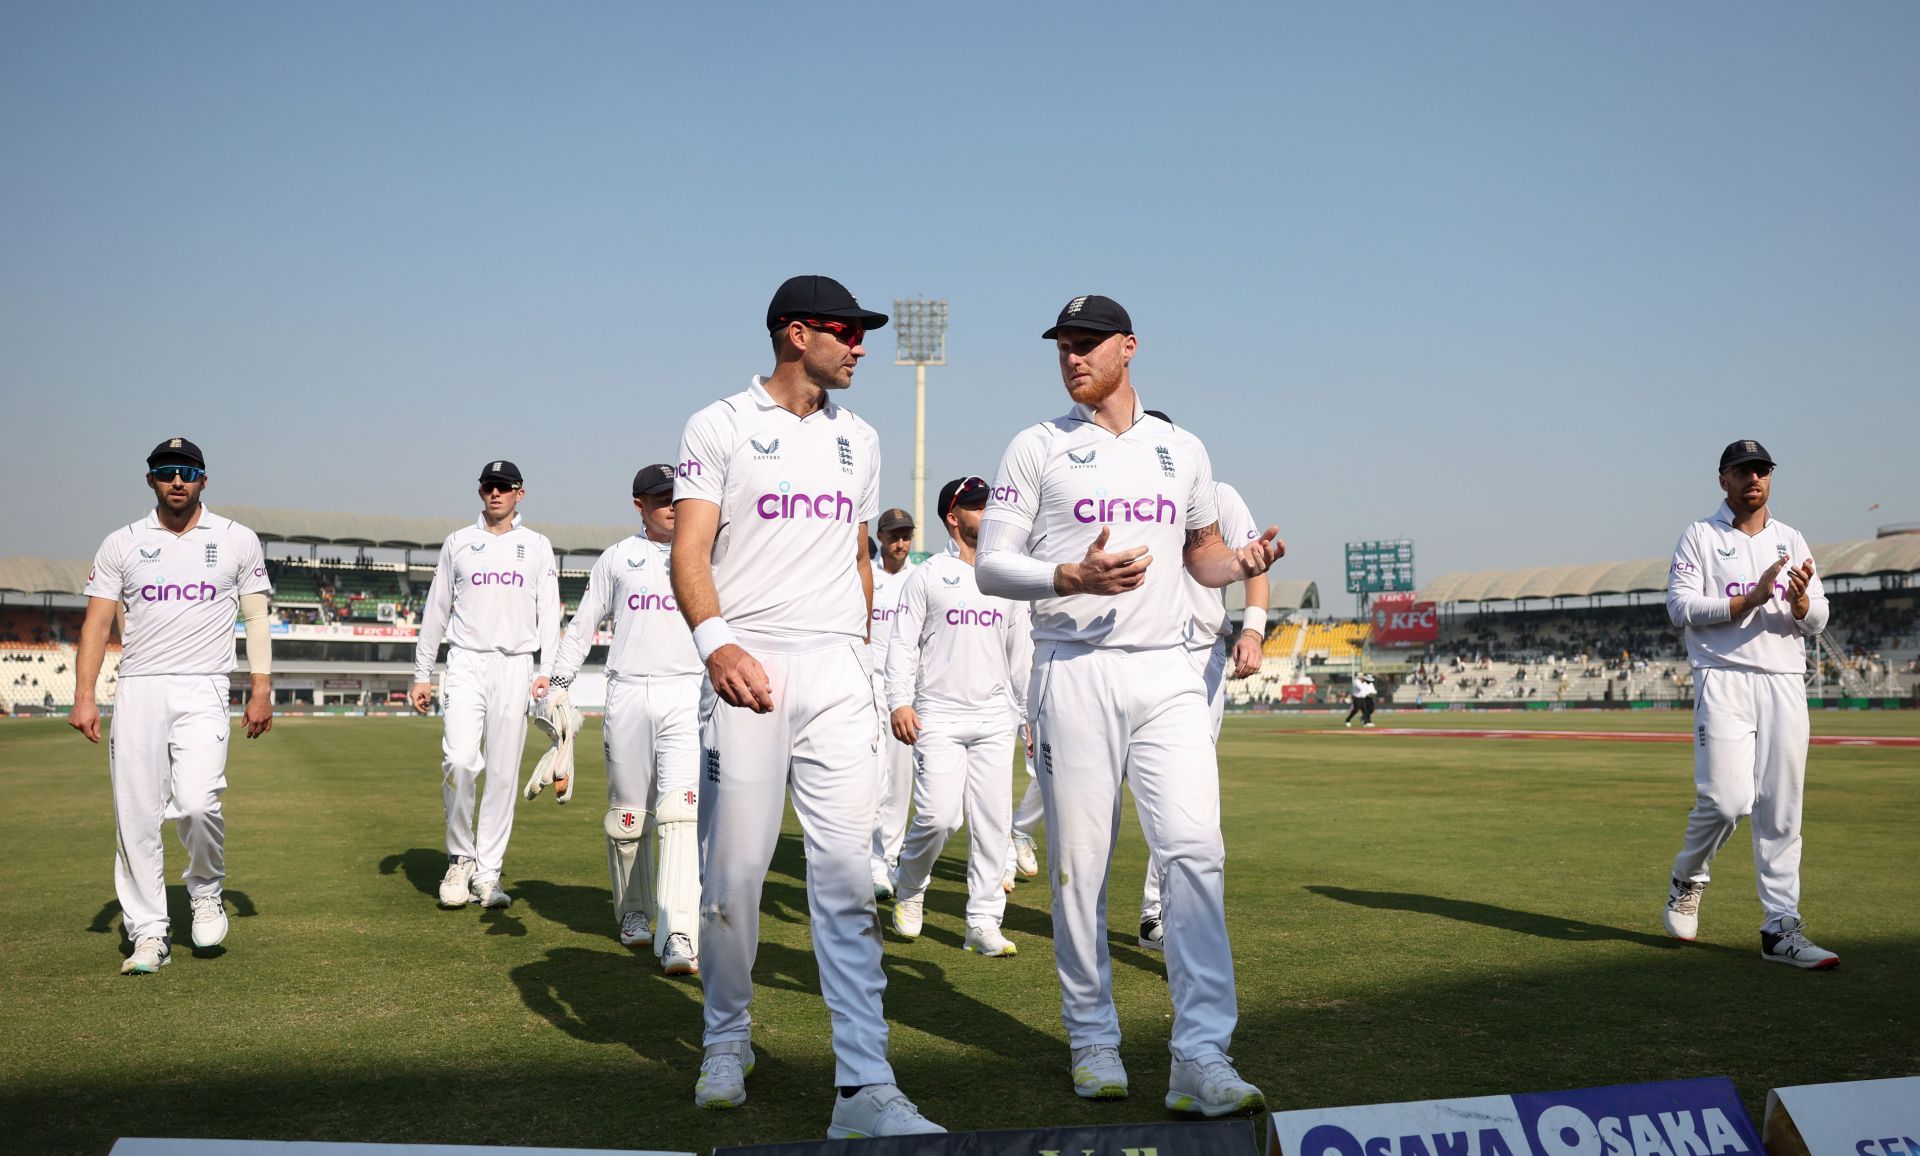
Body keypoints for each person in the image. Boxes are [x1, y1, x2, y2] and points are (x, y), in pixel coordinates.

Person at [976, 294, 1282, 1116]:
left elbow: (1203, 557)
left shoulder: (1181, 449)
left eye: (1085, 343)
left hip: (1171, 674)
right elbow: (991, 567)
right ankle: (1093, 1039)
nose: (1071, 356)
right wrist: (1070, 575)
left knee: (1195, 854)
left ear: (1129, 348)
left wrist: (1241, 561)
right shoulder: (1037, 446)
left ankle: (1202, 1056)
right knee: (1081, 868)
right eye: (1062, 346)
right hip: (1073, 667)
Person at [670, 275, 942, 1137]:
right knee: (734, 880)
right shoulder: (717, 425)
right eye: (843, 331)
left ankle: (864, 1085)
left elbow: (859, 558)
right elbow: (690, 550)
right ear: (795, 334)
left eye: (863, 333)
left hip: (834, 676)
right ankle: (725, 1037)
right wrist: (720, 646)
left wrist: (859, 655)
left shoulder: (860, 437)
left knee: (844, 883)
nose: (859, 344)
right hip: (749, 671)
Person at [69, 437, 275, 975]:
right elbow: (95, 622)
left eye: (186, 471)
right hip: (138, 687)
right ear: (150, 481)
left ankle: (205, 890)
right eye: (165, 471)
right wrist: (85, 695)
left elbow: (255, 618)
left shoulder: (236, 540)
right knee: (135, 815)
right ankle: (148, 932)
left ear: (204, 479)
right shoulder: (122, 543)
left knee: (199, 802)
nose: (176, 480)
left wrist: (261, 687)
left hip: (205, 686)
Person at [1662, 439, 1836, 969]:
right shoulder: (1701, 536)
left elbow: (1819, 615)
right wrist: (1749, 599)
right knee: (1726, 800)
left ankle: (1780, 929)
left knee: (1782, 809)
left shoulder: (1791, 538)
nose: (1753, 479)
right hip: (1724, 676)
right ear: (1724, 480)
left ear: (1770, 479)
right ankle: (1688, 879)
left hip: (1784, 678)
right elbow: (1679, 607)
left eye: (1761, 470)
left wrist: (1802, 603)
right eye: (1742, 471)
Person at [549, 463, 702, 974]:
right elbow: (584, 623)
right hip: (629, 692)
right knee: (628, 818)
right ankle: (634, 915)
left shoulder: (708, 552)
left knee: (681, 812)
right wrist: (560, 685)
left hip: (687, 692)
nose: (672, 506)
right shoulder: (619, 558)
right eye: (661, 498)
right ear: (639, 505)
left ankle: (679, 930)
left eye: (677, 497)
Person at [885, 476, 1032, 958]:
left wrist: (1029, 713)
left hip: (994, 714)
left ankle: (983, 921)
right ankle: (909, 887)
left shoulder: (1007, 577)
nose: (987, 511)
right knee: (938, 816)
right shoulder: (927, 575)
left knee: (992, 822)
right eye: (975, 506)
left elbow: (1019, 653)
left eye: (989, 503)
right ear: (953, 516)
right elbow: (902, 644)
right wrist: (899, 702)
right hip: (938, 713)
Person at [409, 460, 561, 912]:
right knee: (458, 761)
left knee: (502, 773)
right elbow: (436, 611)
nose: (494, 494)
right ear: (480, 492)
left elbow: (549, 613)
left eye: (503, 487)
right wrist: (422, 672)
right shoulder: (458, 542)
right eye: (487, 487)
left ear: (520, 493)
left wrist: (546, 671)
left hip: (516, 665)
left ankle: (488, 872)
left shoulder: (536, 546)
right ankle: (460, 858)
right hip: (465, 663)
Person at [1137, 457, 1269, 952]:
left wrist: (1253, 632)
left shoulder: (1220, 497)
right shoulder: (1123, 498)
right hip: (1130, 654)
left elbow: (1255, 567)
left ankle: (1161, 912)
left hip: (1199, 656)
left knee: (1185, 794)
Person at [867, 506, 918, 901]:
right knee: (871, 779)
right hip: (868, 689)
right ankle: (871, 862)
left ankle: (890, 858)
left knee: (900, 783)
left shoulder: (921, 579)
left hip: (906, 693)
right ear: (880, 537)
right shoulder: (864, 576)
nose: (900, 543)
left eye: (906, 535)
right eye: (893, 535)